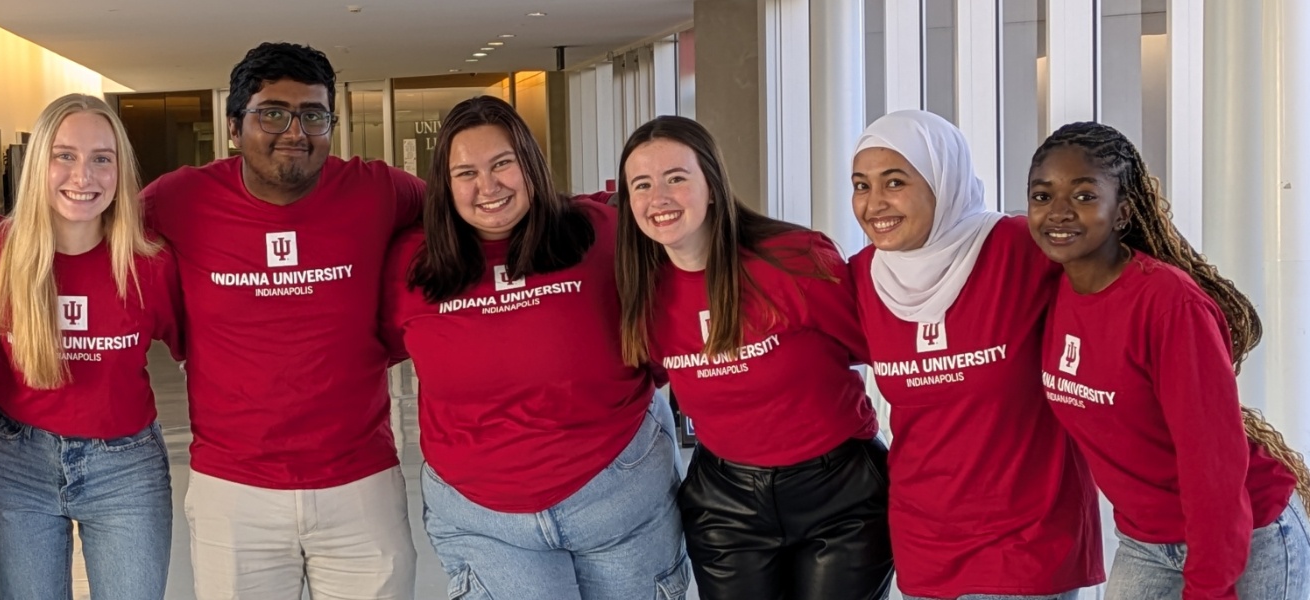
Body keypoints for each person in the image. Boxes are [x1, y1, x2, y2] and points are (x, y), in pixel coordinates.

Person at [0, 43, 424, 599]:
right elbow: (81, 217)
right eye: (272, 113)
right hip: (227, 486)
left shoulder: (378, 188)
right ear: (235, 127)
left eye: (313, 114)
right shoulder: (182, 200)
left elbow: (461, 217)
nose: (295, 130)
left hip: (356, 478)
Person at [378, 97, 689, 598]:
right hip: (484, 518)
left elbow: (664, 328)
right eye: (466, 172)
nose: (489, 186)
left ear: (530, 162)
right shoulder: (410, 266)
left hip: (617, 496)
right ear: (443, 184)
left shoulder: (602, 234)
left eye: (503, 163)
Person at [1026, 121, 1310, 599]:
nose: (1059, 213)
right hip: (1146, 542)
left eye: (1083, 196)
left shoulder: (1167, 303)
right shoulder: (1050, 293)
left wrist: (1210, 587)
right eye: (1042, 196)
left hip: (1246, 537)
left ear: (1123, 213)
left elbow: (1213, 467)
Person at [617, 115, 890, 598]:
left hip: (840, 497)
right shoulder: (643, 292)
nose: (658, 198)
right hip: (726, 504)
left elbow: (872, 348)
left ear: (713, 186)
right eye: (642, 185)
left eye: (676, 178)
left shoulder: (794, 260)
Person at [848, 110, 1103, 600]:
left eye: (894, 182)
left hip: (1027, 542)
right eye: (861, 185)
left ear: (943, 181)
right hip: (925, 544)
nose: (874, 203)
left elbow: (1120, 302)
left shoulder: (1019, 248)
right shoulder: (863, 277)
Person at [0, 94, 182, 600]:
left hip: (126, 468)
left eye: (102, 158)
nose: (84, 176)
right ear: (39, 162)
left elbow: (211, 351)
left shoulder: (152, 264)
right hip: (16, 465)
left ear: (120, 170)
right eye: (65, 156)